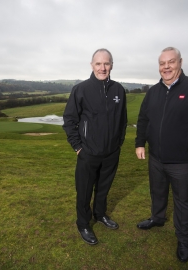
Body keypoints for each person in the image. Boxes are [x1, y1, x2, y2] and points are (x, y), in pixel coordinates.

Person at [135, 47, 188, 262]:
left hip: (183, 161)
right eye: (162, 63)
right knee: (157, 192)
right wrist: (140, 143)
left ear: (180, 62)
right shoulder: (153, 91)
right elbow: (143, 119)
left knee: (183, 201)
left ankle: (183, 238)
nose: (166, 67)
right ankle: (157, 218)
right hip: (156, 158)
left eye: (171, 62)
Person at [63, 48, 127, 245]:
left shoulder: (118, 90)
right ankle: (83, 223)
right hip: (88, 153)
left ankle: (100, 215)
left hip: (111, 153)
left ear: (111, 66)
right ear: (92, 65)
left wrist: (117, 144)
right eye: (98, 63)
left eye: (106, 63)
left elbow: (122, 120)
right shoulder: (81, 90)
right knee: (84, 191)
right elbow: (69, 120)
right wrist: (78, 148)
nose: (102, 67)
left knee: (103, 189)